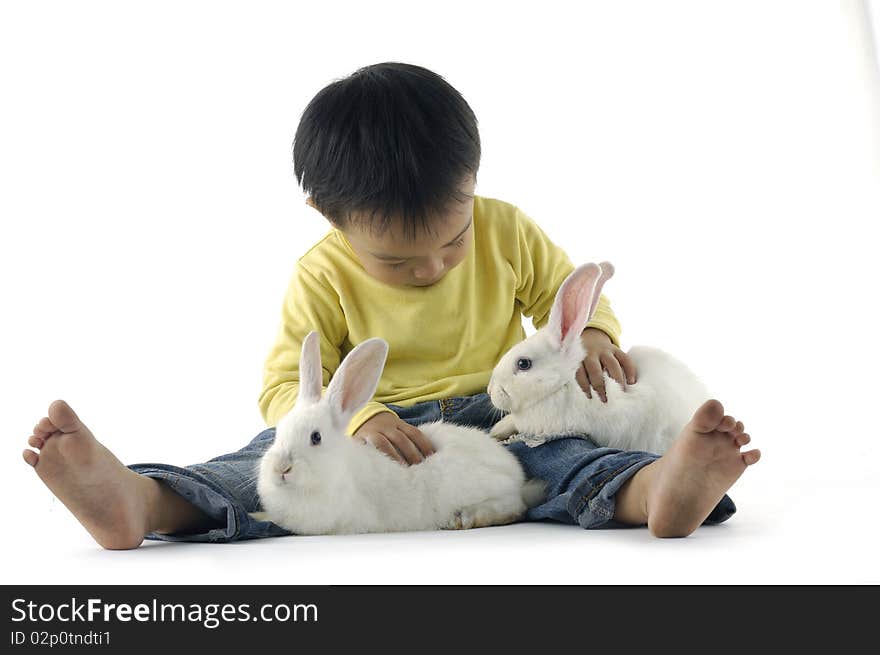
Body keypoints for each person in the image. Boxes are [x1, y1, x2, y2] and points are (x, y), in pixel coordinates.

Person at [22, 62, 759, 549]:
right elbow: (286, 388)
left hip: (503, 418)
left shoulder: (507, 229)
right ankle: (142, 502)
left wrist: (596, 332)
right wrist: (364, 415)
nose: (434, 267)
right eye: (398, 261)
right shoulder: (321, 276)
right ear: (328, 213)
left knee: (569, 459)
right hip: (369, 433)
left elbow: (573, 300)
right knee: (264, 468)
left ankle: (662, 484)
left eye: (453, 239)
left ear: (473, 182)